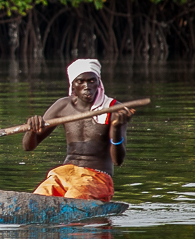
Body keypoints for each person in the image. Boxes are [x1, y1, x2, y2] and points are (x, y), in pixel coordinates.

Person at [22, 59, 134, 201]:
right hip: (65, 174)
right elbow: (28, 146)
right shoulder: (63, 106)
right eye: (80, 81)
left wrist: (117, 129)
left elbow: (117, 161)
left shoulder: (113, 109)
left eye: (91, 81)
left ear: (99, 82)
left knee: (73, 199)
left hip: (97, 178)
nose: (87, 86)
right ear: (73, 85)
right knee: (37, 199)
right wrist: (32, 129)